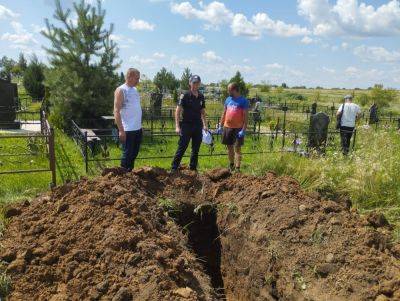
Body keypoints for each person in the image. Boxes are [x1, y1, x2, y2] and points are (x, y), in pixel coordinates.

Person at [171, 75, 207, 172]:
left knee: (196, 149)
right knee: (182, 147)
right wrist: (177, 126)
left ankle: (193, 169)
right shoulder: (185, 95)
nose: (196, 85)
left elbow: (203, 112)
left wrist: (205, 125)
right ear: (190, 83)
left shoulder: (201, 96)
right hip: (186, 125)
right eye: (194, 82)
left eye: (197, 83)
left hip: (198, 126)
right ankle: (174, 168)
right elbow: (177, 111)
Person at [113, 68, 143, 171]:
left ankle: (130, 174)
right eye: (137, 78)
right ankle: (123, 176)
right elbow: (116, 111)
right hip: (128, 129)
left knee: (134, 153)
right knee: (127, 154)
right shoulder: (121, 90)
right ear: (129, 77)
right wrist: (121, 130)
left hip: (137, 128)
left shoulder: (134, 90)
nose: (138, 81)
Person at [219, 83, 249, 172]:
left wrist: (243, 129)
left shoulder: (243, 101)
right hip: (227, 127)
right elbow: (224, 113)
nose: (228, 92)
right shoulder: (228, 99)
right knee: (229, 147)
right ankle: (231, 165)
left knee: (237, 148)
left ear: (234, 90)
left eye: (229, 90)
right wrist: (220, 125)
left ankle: (238, 168)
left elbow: (246, 116)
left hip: (238, 128)